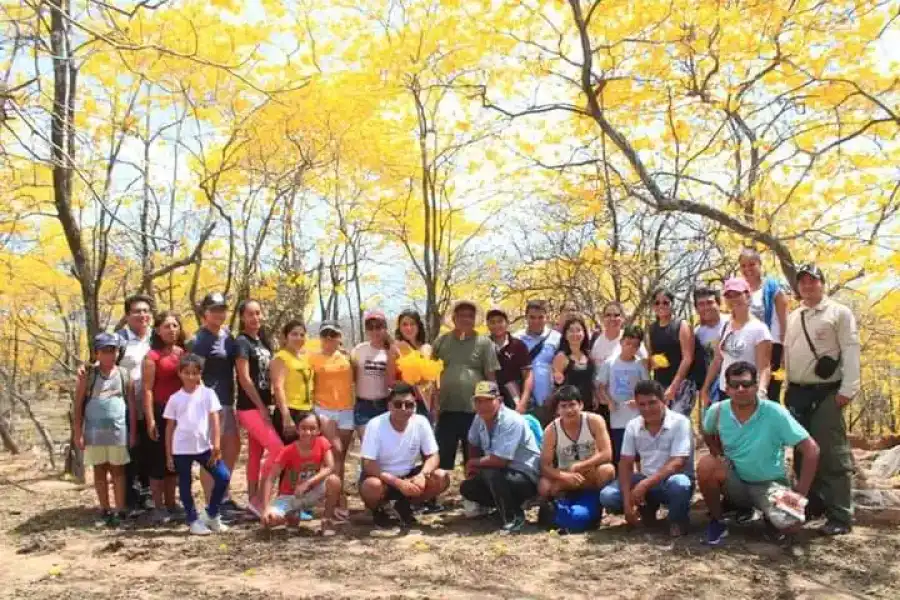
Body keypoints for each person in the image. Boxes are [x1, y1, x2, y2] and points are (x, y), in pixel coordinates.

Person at [699, 361, 820, 546]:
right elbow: (707, 432)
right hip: (735, 481)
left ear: (756, 386)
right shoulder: (717, 411)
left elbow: (811, 449)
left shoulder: (775, 412)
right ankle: (718, 521)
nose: (741, 389)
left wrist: (800, 494)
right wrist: (718, 453)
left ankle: (770, 515)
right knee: (707, 464)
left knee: (792, 525)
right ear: (727, 388)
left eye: (746, 384)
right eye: (734, 385)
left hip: (769, 484)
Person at [783, 263, 860, 536]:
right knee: (803, 453)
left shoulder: (839, 313)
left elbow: (850, 349)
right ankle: (812, 506)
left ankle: (840, 514)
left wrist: (848, 389)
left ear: (822, 283)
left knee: (832, 455)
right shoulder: (794, 316)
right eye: (802, 281)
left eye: (812, 281)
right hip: (798, 392)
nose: (807, 285)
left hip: (828, 391)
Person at [598, 380, 695, 537]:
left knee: (680, 484)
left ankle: (677, 520)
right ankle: (645, 512)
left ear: (663, 401)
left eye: (652, 403)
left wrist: (644, 485)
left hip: (669, 481)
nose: (647, 408)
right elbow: (625, 463)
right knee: (608, 496)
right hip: (645, 480)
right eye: (642, 404)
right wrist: (626, 502)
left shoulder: (680, 422)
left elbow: (678, 461)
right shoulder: (633, 425)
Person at [359, 383, 450, 527]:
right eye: (398, 404)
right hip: (383, 478)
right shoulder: (375, 425)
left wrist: (422, 475)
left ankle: (406, 505)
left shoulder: (421, 422)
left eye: (409, 405)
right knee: (372, 486)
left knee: (440, 477)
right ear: (389, 406)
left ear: (414, 406)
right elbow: (368, 464)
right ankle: (380, 510)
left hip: (409, 475)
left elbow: (433, 455)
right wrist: (397, 482)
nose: (403, 409)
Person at [461, 381, 542, 534]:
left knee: (491, 472)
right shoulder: (479, 418)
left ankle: (514, 517)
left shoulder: (511, 420)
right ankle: (503, 508)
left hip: (524, 476)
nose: (483, 405)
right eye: (478, 401)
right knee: (467, 488)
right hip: (499, 474)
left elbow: (500, 460)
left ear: (499, 400)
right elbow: (472, 442)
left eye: (488, 400)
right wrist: (473, 470)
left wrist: (472, 463)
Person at [164, 354, 231, 535]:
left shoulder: (208, 394)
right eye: (187, 373)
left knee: (223, 476)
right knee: (185, 484)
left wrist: (216, 445)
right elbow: (170, 428)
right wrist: (169, 454)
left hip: (204, 447)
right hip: (181, 448)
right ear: (180, 373)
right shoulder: (175, 398)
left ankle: (212, 513)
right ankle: (193, 520)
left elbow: (215, 419)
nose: (191, 377)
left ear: (200, 374)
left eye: (195, 373)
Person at [74, 333, 135, 527]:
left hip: (118, 431)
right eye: (105, 351)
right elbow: (78, 405)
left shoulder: (125, 375)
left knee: (118, 470)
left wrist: (133, 432)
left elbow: (132, 405)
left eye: (113, 350)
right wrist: (78, 432)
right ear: (97, 353)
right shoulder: (89, 375)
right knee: (99, 469)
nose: (109, 355)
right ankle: (104, 509)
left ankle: (120, 510)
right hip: (94, 431)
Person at [432, 300, 500, 471]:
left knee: (473, 455)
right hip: (447, 408)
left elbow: (491, 376)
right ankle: (434, 492)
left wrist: (495, 405)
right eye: (461, 315)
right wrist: (433, 403)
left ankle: (473, 494)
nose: (465, 319)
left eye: (470, 316)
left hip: (475, 410)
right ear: (454, 318)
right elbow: (431, 373)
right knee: (442, 455)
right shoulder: (442, 341)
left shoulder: (484, 343)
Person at [187, 292, 239, 511]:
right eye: (214, 309)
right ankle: (212, 503)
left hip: (227, 401)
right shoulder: (200, 339)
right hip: (208, 403)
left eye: (222, 309)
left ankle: (223, 495)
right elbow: (192, 373)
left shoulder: (227, 335)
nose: (219, 313)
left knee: (232, 447)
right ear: (204, 313)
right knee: (211, 453)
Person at [233, 299, 282, 516]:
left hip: (265, 404)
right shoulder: (242, 342)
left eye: (258, 313)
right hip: (249, 407)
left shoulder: (262, 343)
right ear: (242, 317)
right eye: (250, 314)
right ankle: (261, 497)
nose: (255, 318)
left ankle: (253, 501)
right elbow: (244, 378)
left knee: (255, 453)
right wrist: (261, 406)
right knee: (278, 449)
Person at [259, 412, 342, 536]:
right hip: (290, 496)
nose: (308, 432)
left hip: (312, 493)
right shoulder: (288, 451)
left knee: (334, 481)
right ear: (297, 430)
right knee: (270, 520)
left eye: (312, 428)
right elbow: (271, 478)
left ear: (319, 430)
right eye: (303, 428)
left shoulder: (323, 443)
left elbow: (330, 467)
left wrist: (308, 483)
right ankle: (291, 517)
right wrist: (265, 508)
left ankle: (326, 520)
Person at [142, 311, 186, 524]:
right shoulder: (152, 357)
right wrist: (150, 419)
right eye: (167, 326)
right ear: (158, 330)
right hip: (160, 412)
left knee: (175, 460)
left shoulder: (183, 353)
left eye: (175, 326)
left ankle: (172, 503)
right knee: (158, 460)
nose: (172, 330)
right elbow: (147, 389)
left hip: (181, 414)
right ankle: (158, 506)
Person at [700, 278, 773, 407]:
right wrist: (705, 388)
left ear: (747, 295)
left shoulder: (759, 329)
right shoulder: (726, 326)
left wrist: (761, 392)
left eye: (738, 294)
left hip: (747, 393)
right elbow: (717, 360)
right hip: (725, 392)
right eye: (729, 296)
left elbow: (765, 367)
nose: (733, 299)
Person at [309, 320, 354, 520]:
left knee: (340, 456)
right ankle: (336, 498)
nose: (329, 338)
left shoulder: (347, 358)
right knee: (333, 450)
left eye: (333, 335)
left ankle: (336, 496)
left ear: (339, 338)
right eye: (325, 335)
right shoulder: (312, 358)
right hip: (324, 409)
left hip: (346, 409)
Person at [537, 385, 615, 501]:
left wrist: (582, 465)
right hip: (566, 472)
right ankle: (560, 500)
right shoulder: (551, 430)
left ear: (581, 405)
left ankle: (597, 499)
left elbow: (607, 453)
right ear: (557, 410)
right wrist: (565, 476)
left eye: (572, 405)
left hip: (591, 470)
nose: (569, 410)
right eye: (563, 406)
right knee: (544, 486)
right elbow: (545, 465)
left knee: (607, 470)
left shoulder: (594, 421)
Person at [115, 294, 154, 514]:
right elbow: (101, 363)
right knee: (129, 450)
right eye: (137, 311)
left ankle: (148, 494)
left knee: (149, 449)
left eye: (146, 311)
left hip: (150, 404)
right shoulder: (119, 340)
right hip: (125, 405)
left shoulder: (155, 338)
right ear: (127, 315)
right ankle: (130, 498)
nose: (142, 315)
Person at [739, 248, 789, 400]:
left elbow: (783, 318)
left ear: (760, 264)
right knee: (748, 392)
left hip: (772, 346)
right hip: (748, 347)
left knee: (770, 393)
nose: (748, 269)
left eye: (752, 264)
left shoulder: (772, 286)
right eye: (743, 266)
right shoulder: (739, 290)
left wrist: (785, 349)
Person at [595, 325, 650, 464]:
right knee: (621, 453)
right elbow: (600, 386)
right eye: (628, 343)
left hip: (636, 417)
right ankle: (622, 481)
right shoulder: (610, 363)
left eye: (635, 346)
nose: (630, 348)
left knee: (638, 455)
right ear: (621, 342)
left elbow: (647, 388)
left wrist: (638, 401)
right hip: (617, 417)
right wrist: (609, 402)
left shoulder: (639, 365)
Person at [647, 289, 697, 415]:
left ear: (672, 304)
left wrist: (674, 386)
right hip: (660, 384)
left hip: (682, 385)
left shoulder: (681, 325)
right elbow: (650, 358)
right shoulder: (652, 329)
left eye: (665, 302)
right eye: (657, 303)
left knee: (679, 422)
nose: (661, 306)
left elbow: (687, 358)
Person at [351, 310, 397, 439]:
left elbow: (392, 381)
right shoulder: (359, 350)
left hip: (384, 405)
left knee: (383, 448)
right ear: (366, 330)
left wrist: (390, 354)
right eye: (370, 328)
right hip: (363, 405)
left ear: (385, 328)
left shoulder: (392, 351)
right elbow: (351, 377)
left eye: (379, 327)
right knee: (367, 446)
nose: (374, 331)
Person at [515, 299, 562, 425]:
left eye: (540, 317)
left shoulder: (556, 338)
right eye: (532, 317)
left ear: (547, 317)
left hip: (550, 400)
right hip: (524, 401)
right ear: (526, 317)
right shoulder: (517, 339)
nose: (536, 321)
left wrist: (556, 395)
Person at [271, 320, 315, 443]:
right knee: (289, 456)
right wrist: (286, 416)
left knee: (306, 456)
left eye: (302, 335)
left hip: (307, 411)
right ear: (285, 337)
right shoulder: (281, 357)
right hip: (290, 411)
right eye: (294, 334)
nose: (298, 338)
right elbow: (277, 387)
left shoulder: (304, 359)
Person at [486, 306, 533, 412]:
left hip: (515, 397)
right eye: (492, 322)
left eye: (500, 321)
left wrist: (523, 402)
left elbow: (528, 375)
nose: (496, 325)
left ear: (507, 323)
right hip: (491, 398)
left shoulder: (518, 345)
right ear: (488, 325)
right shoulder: (484, 346)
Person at [394, 309, 436, 418]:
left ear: (418, 326)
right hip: (404, 404)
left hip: (426, 404)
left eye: (412, 324)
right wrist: (412, 382)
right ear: (399, 327)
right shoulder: (396, 348)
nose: (409, 328)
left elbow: (434, 380)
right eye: (404, 324)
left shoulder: (427, 348)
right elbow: (390, 382)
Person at [552, 317, 596, 411]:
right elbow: (557, 386)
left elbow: (591, 381)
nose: (575, 334)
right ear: (565, 334)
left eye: (579, 330)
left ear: (584, 333)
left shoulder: (589, 355)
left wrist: (595, 396)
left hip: (588, 405)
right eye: (571, 331)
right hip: (570, 408)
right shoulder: (561, 357)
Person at [693, 287, 728, 406]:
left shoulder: (731, 323)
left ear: (718, 303)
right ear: (697, 309)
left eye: (710, 302)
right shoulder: (697, 333)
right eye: (701, 304)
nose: (706, 307)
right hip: (710, 386)